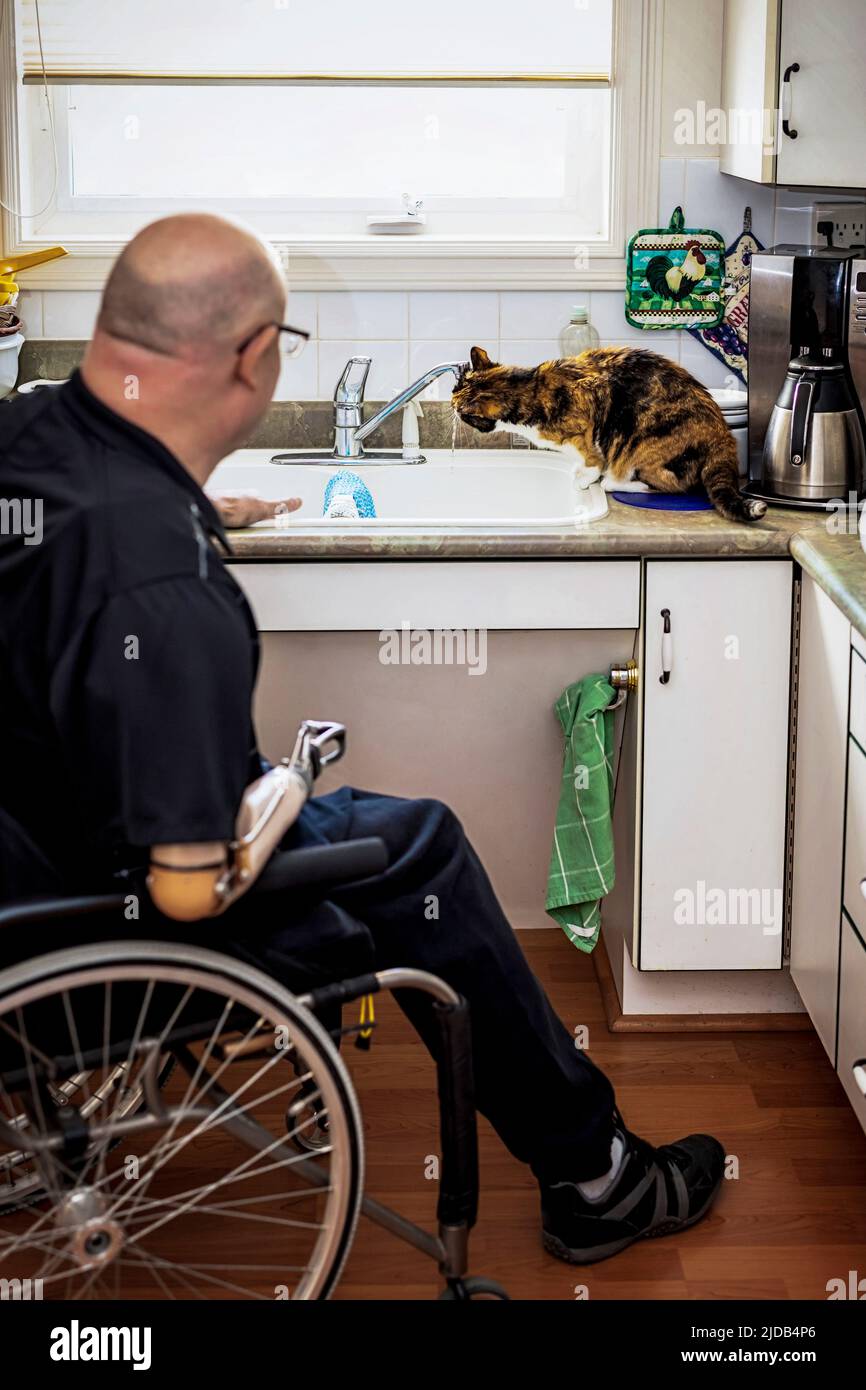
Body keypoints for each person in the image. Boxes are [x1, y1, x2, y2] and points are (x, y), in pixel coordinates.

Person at [0, 213, 725, 1265]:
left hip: (27, 858)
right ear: (254, 359)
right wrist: (291, 783)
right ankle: (596, 1177)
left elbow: (75, 529)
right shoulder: (163, 588)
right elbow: (189, 891)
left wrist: (180, 505)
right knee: (419, 841)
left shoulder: (28, 440)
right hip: (111, 931)